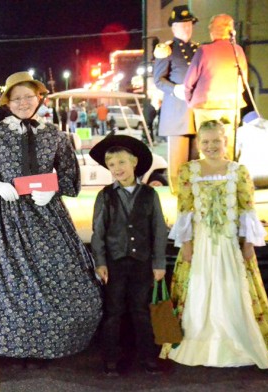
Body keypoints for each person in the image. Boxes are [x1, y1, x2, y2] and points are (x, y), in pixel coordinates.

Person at [0, 71, 102, 360]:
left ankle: (55, 339)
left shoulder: (53, 134)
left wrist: (54, 189)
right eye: (17, 97)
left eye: (29, 96)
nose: (24, 102)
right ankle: (6, 342)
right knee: (4, 277)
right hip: (5, 216)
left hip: (45, 212)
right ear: (7, 101)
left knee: (57, 273)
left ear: (39, 98)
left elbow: (70, 176)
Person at [162, 120, 268, 368]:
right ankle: (197, 338)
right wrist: (187, 243)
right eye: (205, 142)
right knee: (199, 286)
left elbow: (247, 208)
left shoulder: (238, 171)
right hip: (201, 242)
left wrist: (248, 244)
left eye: (216, 141)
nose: (211, 146)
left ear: (226, 142)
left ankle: (236, 339)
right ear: (198, 144)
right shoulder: (188, 170)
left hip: (229, 243)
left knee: (233, 288)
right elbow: (184, 209)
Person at [90, 135, 168, 376]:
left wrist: (158, 263)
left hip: (142, 263)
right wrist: (100, 262)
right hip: (114, 263)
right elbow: (98, 232)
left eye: (122, 163)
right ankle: (111, 358)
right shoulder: (105, 195)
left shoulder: (149, 195)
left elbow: (159, 230)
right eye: (111, 165)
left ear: (134, 162)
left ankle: (148, 357)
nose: (117, 169)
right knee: (113, 312)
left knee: (141, 310)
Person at [184, 14, 248, 161]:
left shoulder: (204, 50)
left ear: (212, 31)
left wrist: (189, 100)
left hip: (205, 104)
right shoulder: (237, 51)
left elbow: (189, 82)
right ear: (231, 31)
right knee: (227, 142)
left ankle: (209, 173)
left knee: (206, 142)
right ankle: (228, 173)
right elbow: (243, 79)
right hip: (231, 105)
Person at [153, 5, 199, 192]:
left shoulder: (199, 49)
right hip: (177, 112)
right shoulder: (167, 50)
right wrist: (175, 89)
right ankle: (179, 197)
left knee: (197, 160)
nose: (187, 28)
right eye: (182, 25)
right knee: (179, 164)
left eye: (189, 24)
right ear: (173, 28)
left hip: (197, 110)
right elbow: (158, 80)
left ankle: (196, 195)